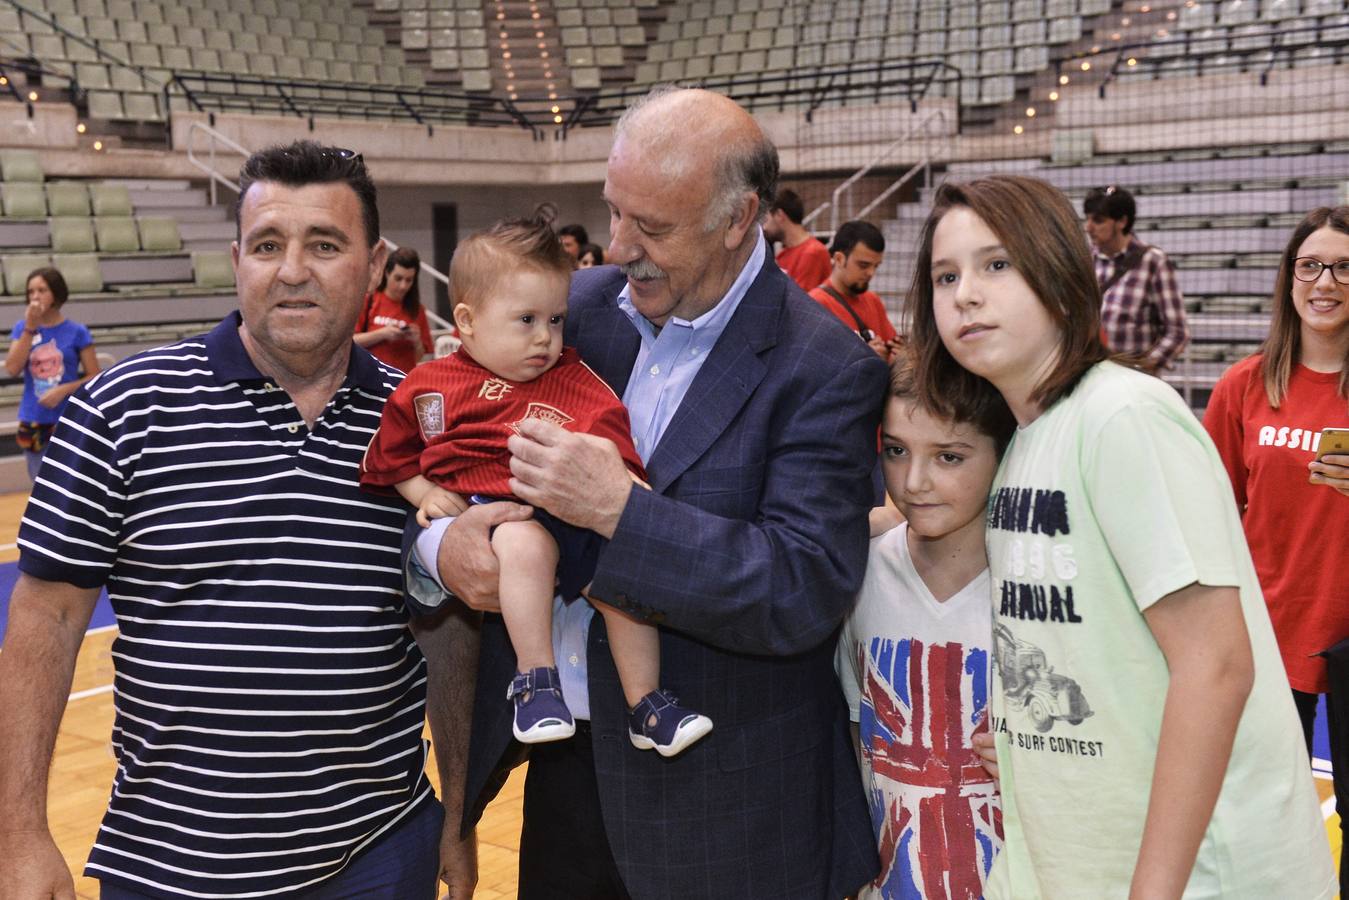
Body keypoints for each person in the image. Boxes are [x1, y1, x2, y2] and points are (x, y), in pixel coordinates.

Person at [409, 87, 888, 898]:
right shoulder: (568, 315)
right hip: (564, 784)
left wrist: (620, 513)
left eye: (652, 227)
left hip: (730, 816)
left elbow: (801, 587)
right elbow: (442, 453)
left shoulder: (826, 365)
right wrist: (438, 550)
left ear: (738, 221)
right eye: (614, 212)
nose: (618, 245)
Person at [0, 142, 477, 900]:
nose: (292, 270)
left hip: (380, 853)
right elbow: (46, 621)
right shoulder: (122, 413)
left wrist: (459, 816)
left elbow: (449, 636)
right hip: (171, 867)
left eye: (324, 244)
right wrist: (18, 831)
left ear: (372, 258)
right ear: (235, 259)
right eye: (267, 245)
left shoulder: (424, 424)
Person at [907, 174, 1333, 898]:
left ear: (1062, 278)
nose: (964, 294)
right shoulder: (1025, 441)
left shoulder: (1122, 417)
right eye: (945, 276)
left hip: (1197, 874)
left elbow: (1215, 665)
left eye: (995, 265)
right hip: (1073, 858)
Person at [361, 210, 713, 755]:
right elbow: (390, 455)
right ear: (468, 320)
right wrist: (424, 492)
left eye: (555, 320)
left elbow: (609, 439)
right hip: (507, 514)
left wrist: (629, 489)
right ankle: (537, 681)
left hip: (578, 511)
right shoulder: (431, 385)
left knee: (623, 584)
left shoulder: (573, 376)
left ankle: (646, 703)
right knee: (524, 544)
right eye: (525, 320)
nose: (545, 338)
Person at [1203, 205, 1349, 890]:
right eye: (1310, 266)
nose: (1325, 281)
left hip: (1346, 635)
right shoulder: (1243, 386)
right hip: (1265, 635)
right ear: (1289, 279)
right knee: (1252, 815)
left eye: (1344, 267)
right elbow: (1205, 515)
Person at [837, 354, 1013, 899]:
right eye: (895, 451)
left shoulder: (1040, 593)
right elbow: (853, 736)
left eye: (949, 456)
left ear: (1004, 452)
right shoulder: (858, 574)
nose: (913, 482)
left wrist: (1047, 771)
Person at [4, 266, 100, 482]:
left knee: (73, 483)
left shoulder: (77, 331)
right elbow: (12, 368)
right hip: (35, 419)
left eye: (42, 290)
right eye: (31, 291)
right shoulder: (22, 328)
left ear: (56, 293)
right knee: (41, 485)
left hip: (69, 418)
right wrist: (30, 327)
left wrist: (63, 390)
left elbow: (94, 375)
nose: (35, 296)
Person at [1083, 184, 1189, 372]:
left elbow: (1177, 332)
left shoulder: (1153, 262)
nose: (1088, 227)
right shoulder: (1085, 260)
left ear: (1122, 221)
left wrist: (1141, 368)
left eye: (1098, 221)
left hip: (1134, 385)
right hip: (1090, 379)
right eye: (1087, 219)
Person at [810, 220, 901, 362]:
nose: (871, 273)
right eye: (863, 265)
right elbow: (814, 365)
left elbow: (893, 353)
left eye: (876, 266)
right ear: (839, 259)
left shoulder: (873, 300)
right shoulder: (816, 304)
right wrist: (863, 358)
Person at [354, 245, 434, 372]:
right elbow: (351, 342)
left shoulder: (417, 310)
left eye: (409, 280)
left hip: (402, 381)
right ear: (387, 273)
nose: (403, 286)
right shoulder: (368, 301)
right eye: (398, 278)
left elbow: (419, 357)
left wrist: (416, 341)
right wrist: (383, 334)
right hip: (370, 376)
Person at [763, 187, 832, 292]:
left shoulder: (813, 252)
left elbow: (798, 302)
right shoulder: (783, 255)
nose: (764, 227)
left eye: (766, 220)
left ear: (779, 215)